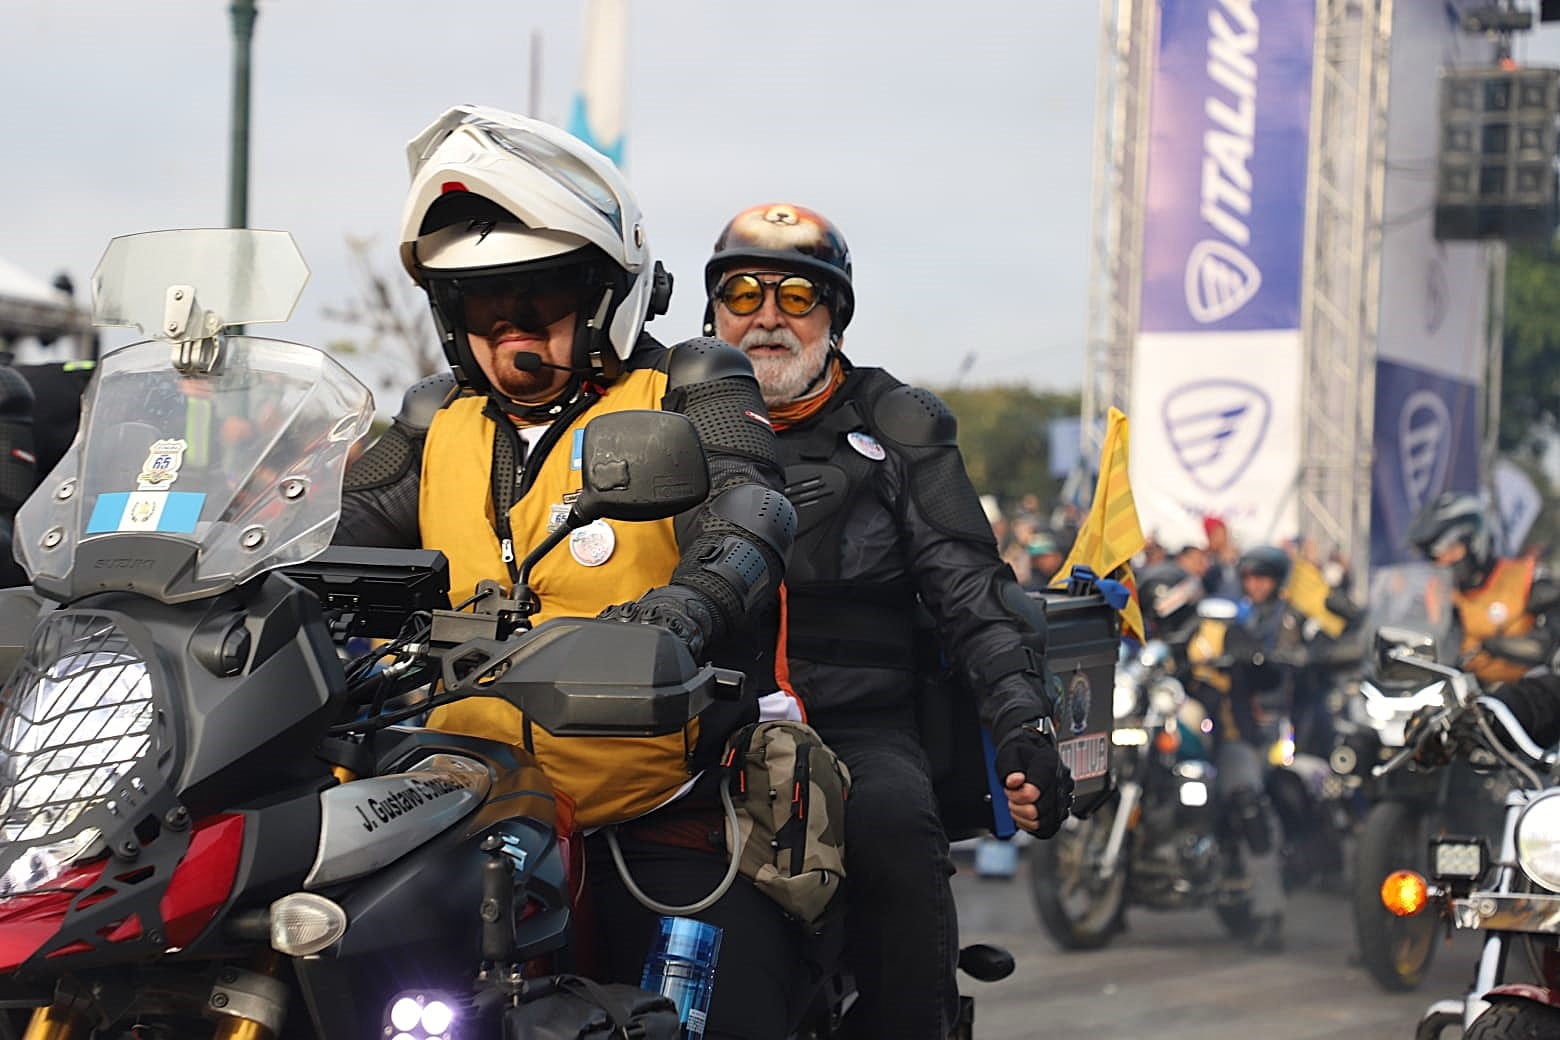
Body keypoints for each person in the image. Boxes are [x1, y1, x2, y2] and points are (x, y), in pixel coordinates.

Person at [334, 107, 810, 1038]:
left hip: (648, 802)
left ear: (603, 295)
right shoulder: (436, 418)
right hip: (452, 797)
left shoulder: (686, 383)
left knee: (722, 1008)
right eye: (481, 304)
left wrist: (684, 608)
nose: (510, 329)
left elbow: (750, 506)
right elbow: (331, 524)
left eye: (539, 297)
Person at [701, 201, 1074, 1038]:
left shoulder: (897, 423)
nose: (767, 317)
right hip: (700, 723)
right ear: (714, 310)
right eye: (744, 293)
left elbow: (971, 589)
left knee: (894, 828)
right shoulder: (667, 415)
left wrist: (1024, 724)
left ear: (834, 316)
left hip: (855, 728)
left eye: (798, 296)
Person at [1187, 545, 1300, 953]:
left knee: (1248, 800)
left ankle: (1269, 910)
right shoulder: (1194, 627)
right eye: (1249, 577)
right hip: (1188, 737)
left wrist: (1253, 659)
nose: (1254, 585)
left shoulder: (1269, 623)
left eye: (1262, 578)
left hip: (1239, 733)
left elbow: (1274, 671)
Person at [1407, 491, 1558, 685]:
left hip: (1526, 692)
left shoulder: (1525, 577)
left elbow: (1550, 641)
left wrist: (1497, 646)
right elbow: (1415, 637)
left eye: (1449, 549)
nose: (1442, 560)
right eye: (1434, 555)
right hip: (1457, 694)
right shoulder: (1436, 593)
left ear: (1474, 540)